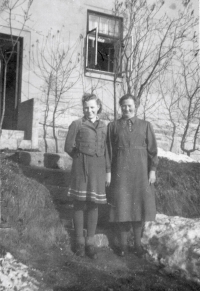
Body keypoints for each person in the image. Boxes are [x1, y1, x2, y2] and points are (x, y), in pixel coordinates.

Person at [107, 94, 158, 257]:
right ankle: (122, 245)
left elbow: (152, 150)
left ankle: (137, 245)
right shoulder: (113, 126)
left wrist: (153, 170)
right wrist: (108, 171)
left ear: (136, 107)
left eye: (130, 106)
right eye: (124, 106)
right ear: (120, 107)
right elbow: (108, 151)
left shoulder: (145, 126)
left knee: (138, 208)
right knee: (122, 207)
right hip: (120, 172)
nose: (127, 109)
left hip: (141, 172)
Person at [64, 93, 111, 259]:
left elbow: (107, 151)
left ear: (98, 107)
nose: (89, 110)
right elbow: (68, 146)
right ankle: (79, 242)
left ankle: (90, 242)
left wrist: (107, 171)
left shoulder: (105, 127)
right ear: (82, 108)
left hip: (98, 170)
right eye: (86, 107)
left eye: (92, 107)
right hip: (81, 168)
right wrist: (79, 158)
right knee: (79, 203)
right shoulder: (77, 124)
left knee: (93, 204)